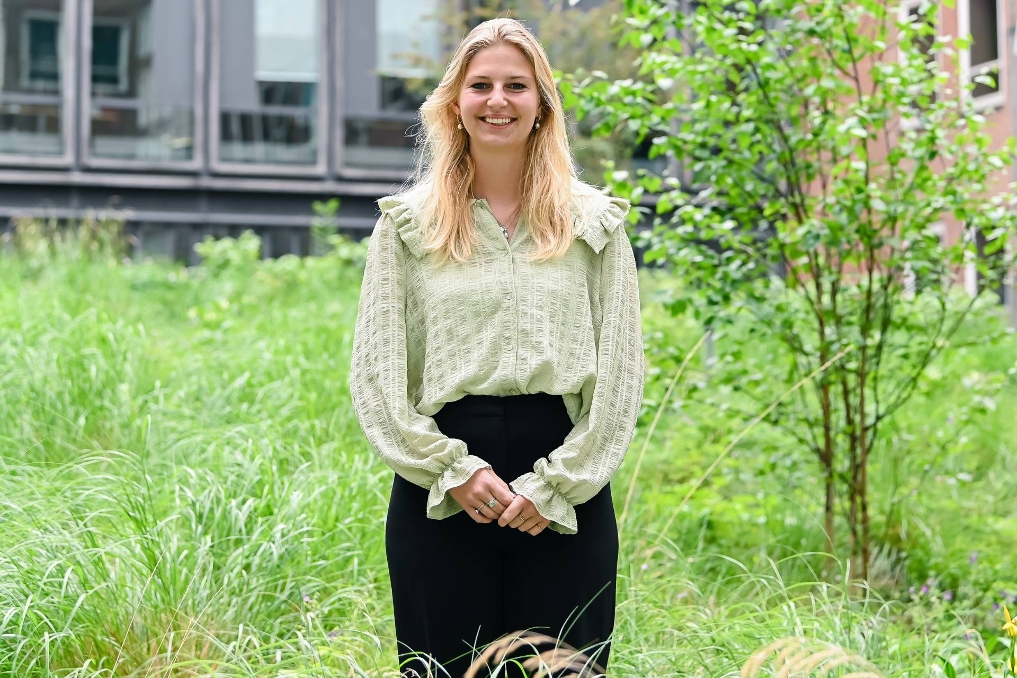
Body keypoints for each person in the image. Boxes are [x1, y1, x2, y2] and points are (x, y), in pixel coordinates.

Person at [349, 17, 644, 678]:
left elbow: (621, 375)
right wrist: (452, 472)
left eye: (516, 85)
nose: (497, 100)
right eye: (480, 84)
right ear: (455, 102)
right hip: (441, 486)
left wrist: (558, 485)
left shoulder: (594, 224)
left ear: (541, 104)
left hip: (564, 489)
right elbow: (377, 376)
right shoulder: (406, 226)